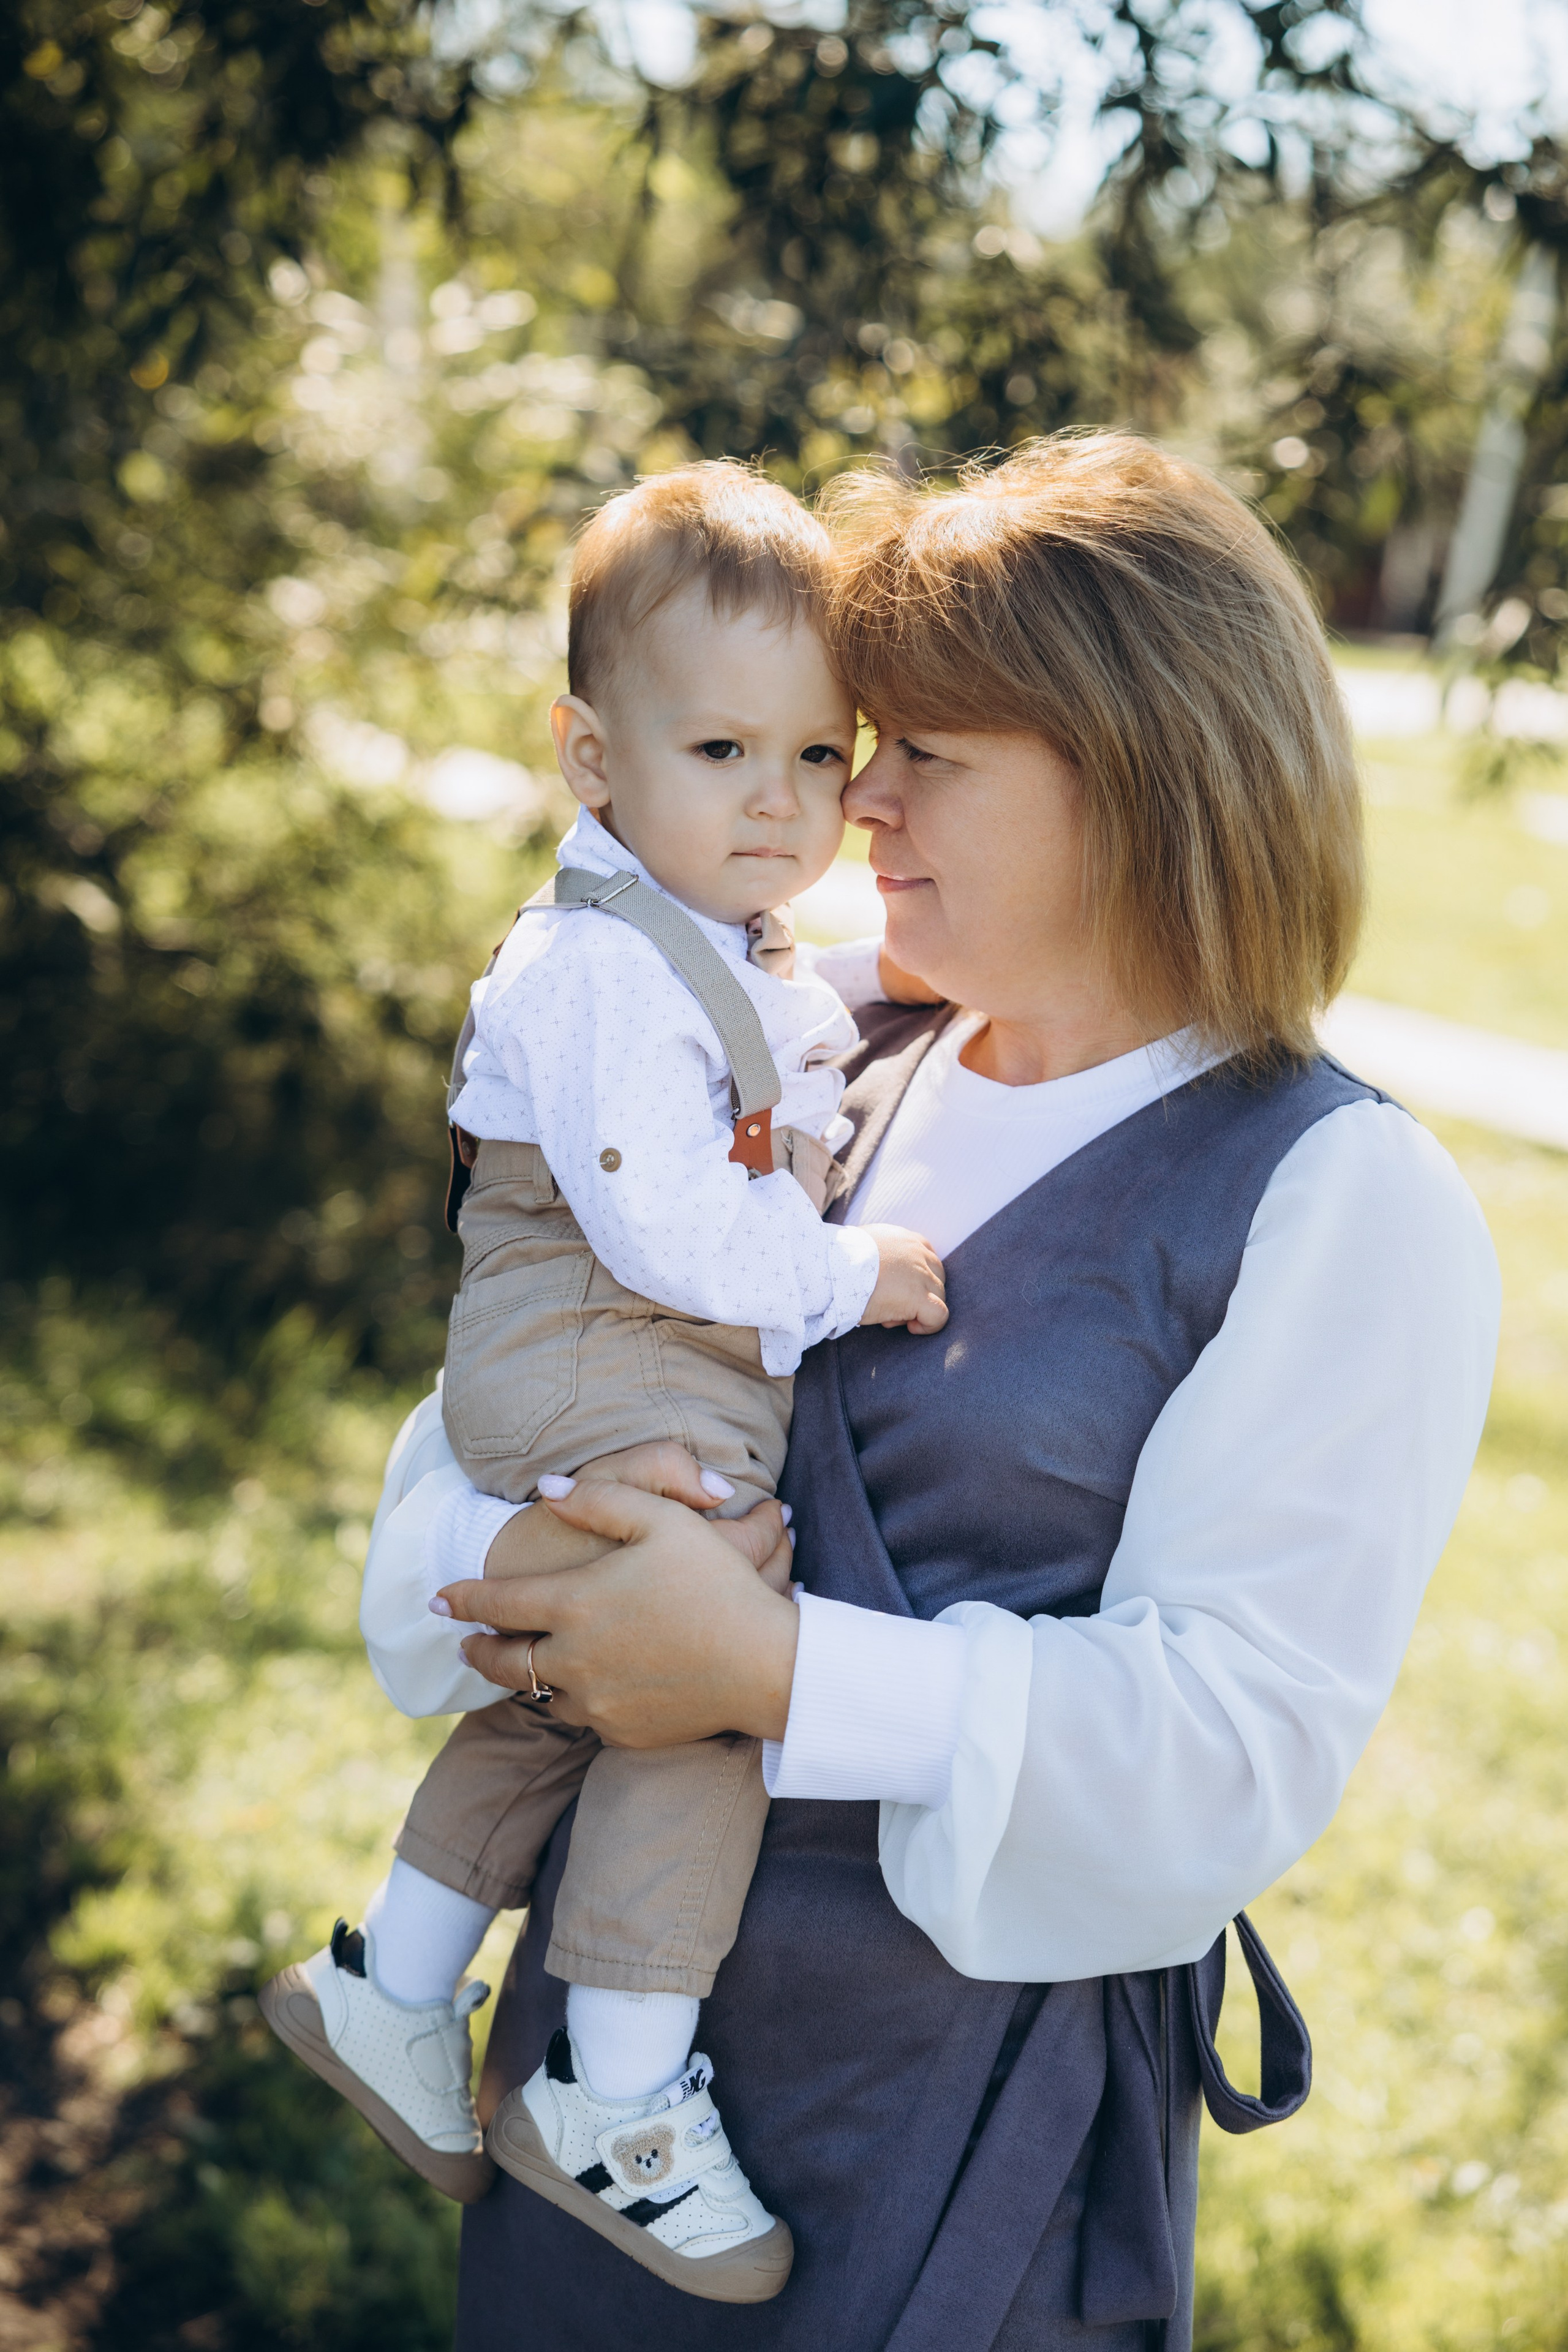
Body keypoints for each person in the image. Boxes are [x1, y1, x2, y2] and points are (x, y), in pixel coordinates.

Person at [360, 434, 1501, 2352]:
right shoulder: (806, 1054)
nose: (853, 800)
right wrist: (533, 1570)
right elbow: (439, 1494)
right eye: (849, 743)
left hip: (947, 2126)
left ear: (1141, 775)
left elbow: (1235, 1749)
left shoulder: (1335, 1194)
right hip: (593, 2080)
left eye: (925, 754)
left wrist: (772, 1672)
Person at [260, 462, 948, 2302]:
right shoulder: (589, 963)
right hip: (598, 1342)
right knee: (702, 1674)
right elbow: (659, 1224)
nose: (785, 804)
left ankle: (393, 1988)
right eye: (724, 751)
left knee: (583, 1685)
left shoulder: (710, 939)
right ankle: (619, 2097)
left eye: (821, 757)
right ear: (590, 757)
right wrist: (847, 1276)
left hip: (632, 1355)